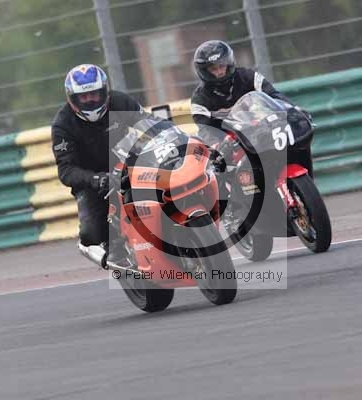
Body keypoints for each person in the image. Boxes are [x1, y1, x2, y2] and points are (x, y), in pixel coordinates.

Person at [51, 63, 171, 268]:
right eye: (84, 97)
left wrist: (170, 134)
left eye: (95, 94)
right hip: (94, 179)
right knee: (91, 232)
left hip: (129, 162)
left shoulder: (119, 101)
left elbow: (147, 121)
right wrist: (95, 179)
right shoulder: (63, 124)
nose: (90, 100)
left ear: (104, 91)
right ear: (73, 98)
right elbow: (66, 170)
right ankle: (114, 249)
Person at [190, 39, 314, 178]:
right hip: (228, 143)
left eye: (222, 66)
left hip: (255, 130)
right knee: (217, 171)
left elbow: (273, 95)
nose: (219, 72)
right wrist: (218, 144)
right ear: (204, 72)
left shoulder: (248, 76)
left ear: (228, 63)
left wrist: (292, 109)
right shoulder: (199, 99)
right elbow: (205, 129)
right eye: (213, 69)